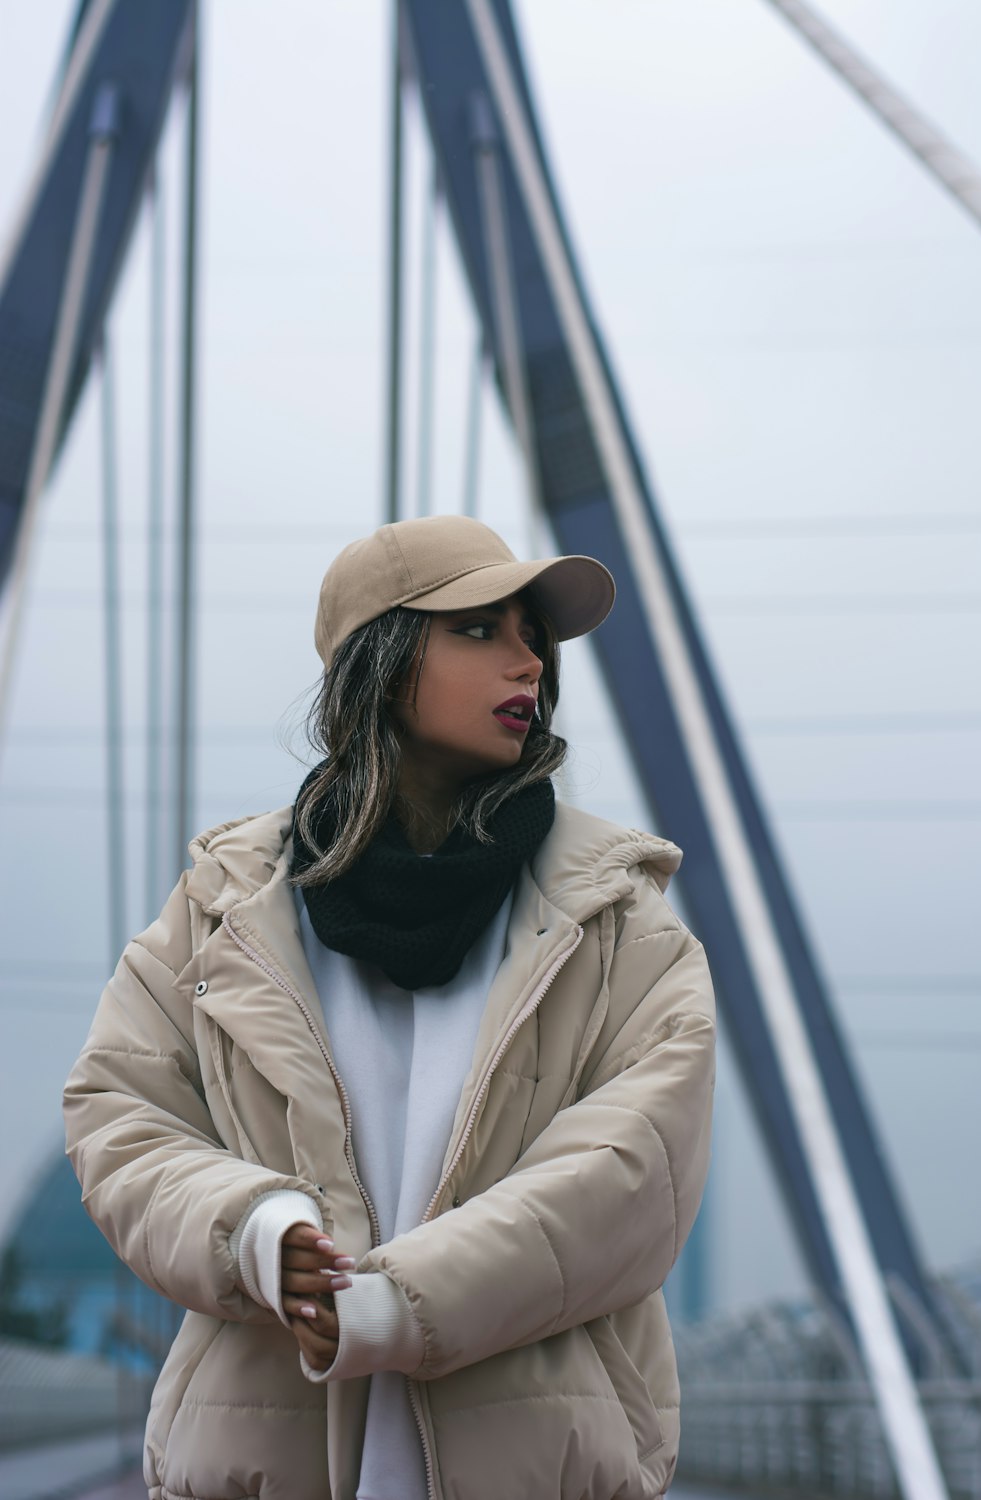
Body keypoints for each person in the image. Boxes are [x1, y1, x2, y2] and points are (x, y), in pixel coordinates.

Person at [64, 514, 716, 1500]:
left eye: (532, 636)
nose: (527, 663)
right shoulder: (221, 910)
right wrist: (253, 1232)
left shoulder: (620, 918)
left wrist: (400, 1305)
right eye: (479, 630)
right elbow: (119, 1115)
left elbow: (636, 1175)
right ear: (380, 659)